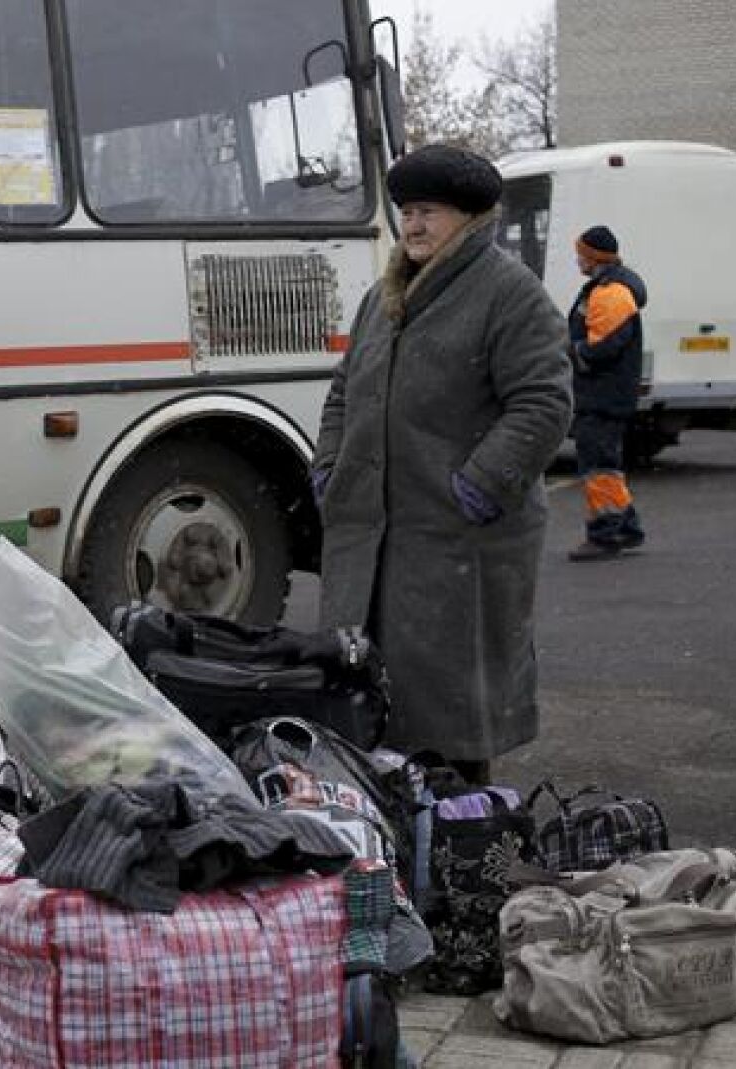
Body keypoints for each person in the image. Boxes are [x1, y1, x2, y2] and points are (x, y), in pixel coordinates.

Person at [310, 144, 572, 785]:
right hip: (375, 534)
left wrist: (480, 486)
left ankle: (461, 841)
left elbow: (544, 401)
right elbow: (346, 389)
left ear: (471, 218)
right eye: (406, 212)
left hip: (459, 539)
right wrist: (329, 465)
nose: (414, 226)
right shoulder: (383, 298)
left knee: (450, 712)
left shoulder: (510, 294)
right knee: (367, 697)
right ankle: (393, 840)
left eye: (429, 211)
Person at [565, 225, 648, 561]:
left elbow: (602, 347)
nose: (577, 260)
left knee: (599, 466)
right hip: (607, 394)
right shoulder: (610, 288)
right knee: (606, 465)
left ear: (593, 256)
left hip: (602, 394)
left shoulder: (610, 292)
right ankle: (625, 528)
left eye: (581, 254)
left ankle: (605, 534)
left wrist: (571, 350)